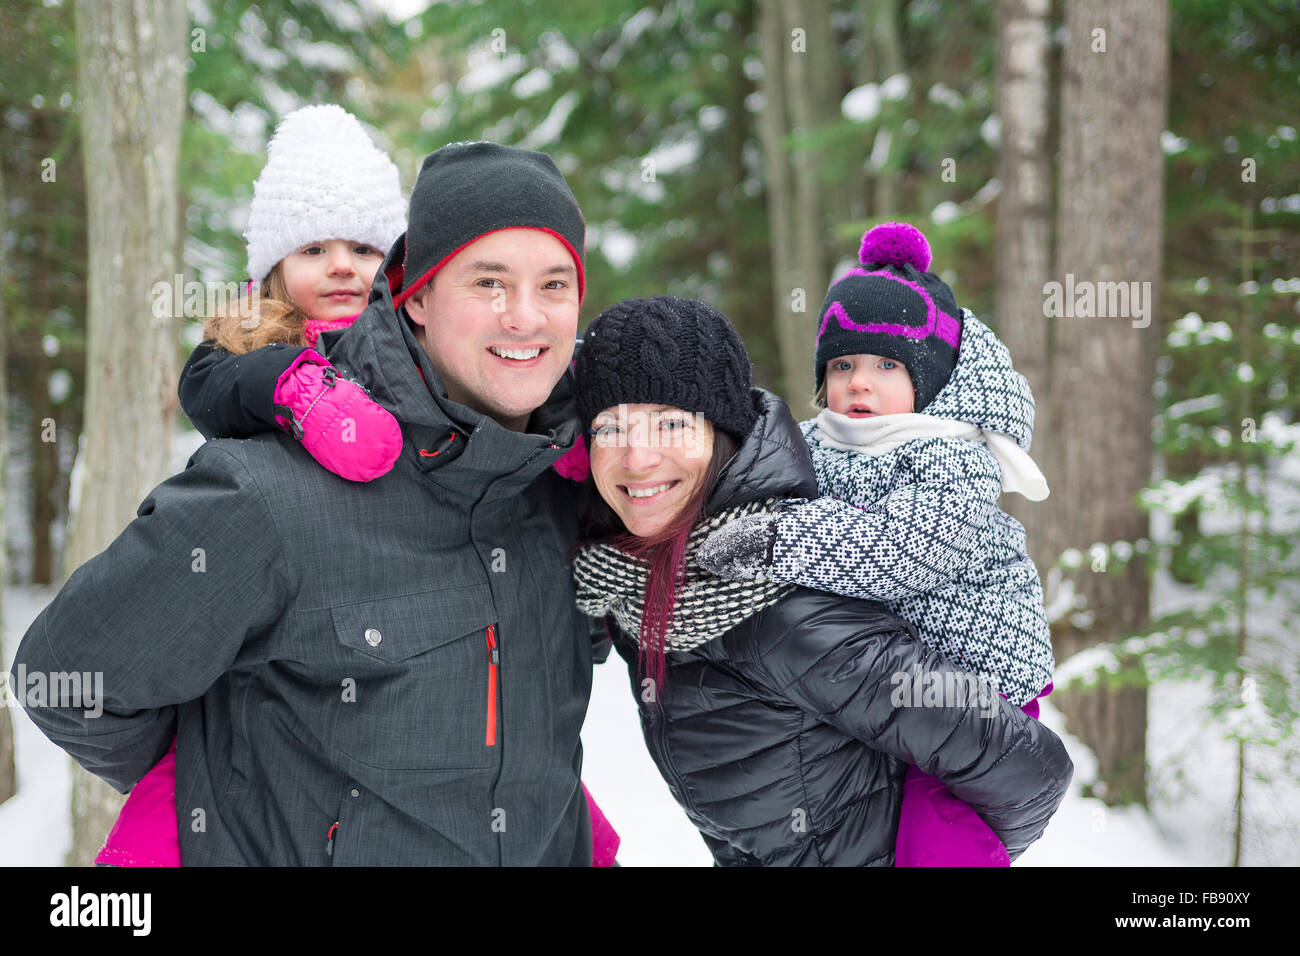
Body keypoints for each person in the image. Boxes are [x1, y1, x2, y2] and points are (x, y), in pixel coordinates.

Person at [15, 139, 603, 865]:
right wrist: (227, 787)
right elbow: (70, 680)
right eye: (488, 282)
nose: (525, 316)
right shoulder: (265, 492)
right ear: (415, 296)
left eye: (554, 285)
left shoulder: (572, 487)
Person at [569, 295, 1073, 866]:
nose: (636, 458)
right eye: (610, 427)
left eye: (671, 423)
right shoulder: (631, 575)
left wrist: (942, 849)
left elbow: (1031, 771)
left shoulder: (785, 611)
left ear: (723, 433)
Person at [697, 222, 1056, 865]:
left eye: (887, 365)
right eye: (843, 365)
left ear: (931, 380)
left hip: (978, 681)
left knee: (935, 826)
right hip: (891, 686)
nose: (859, 383)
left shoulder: (950, 450)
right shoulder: (824, 441)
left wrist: (776, 540)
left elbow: (903, 549)